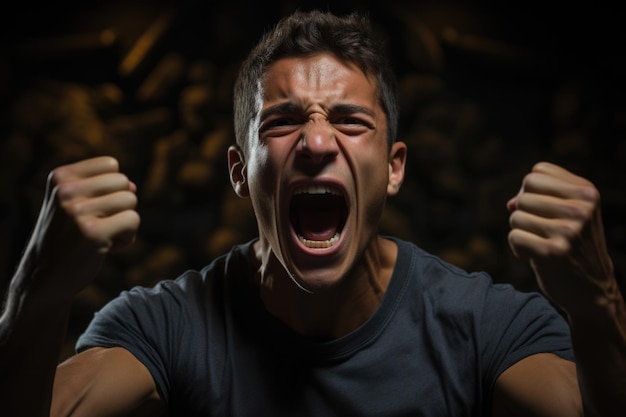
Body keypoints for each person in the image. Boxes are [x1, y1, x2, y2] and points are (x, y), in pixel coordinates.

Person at [1, 9, 625, 417]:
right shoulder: (166, 327)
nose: (318, 142)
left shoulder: (484, 325)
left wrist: (600, 309)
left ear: (395, 167)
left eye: (350, 120)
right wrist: (36, 294)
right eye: (282, 121)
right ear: (241, 174)